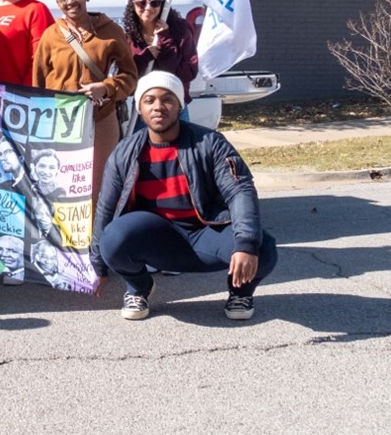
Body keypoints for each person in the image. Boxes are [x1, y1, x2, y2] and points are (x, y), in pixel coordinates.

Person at [91, 71, 278, 322]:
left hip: (207, 233)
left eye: (168, 99)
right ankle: (139, 288)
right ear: (140, 108)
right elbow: (106, 206)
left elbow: (240, 191)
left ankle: (240, 292)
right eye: (150, 100)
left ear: (180, 104)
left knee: (262, 246)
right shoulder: (125, 152)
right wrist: (98, 265)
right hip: (159, 239)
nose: (158, 107)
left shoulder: (210, 142)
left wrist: (244, 244)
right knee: (113, 239)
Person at [33, 0, 137, 200]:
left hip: (101, 119)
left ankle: (97, 236)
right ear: (57, 2)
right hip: (62, 122)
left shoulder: (111, 31)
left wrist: (107, 87)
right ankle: (65, 236)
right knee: (64, 183)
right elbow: (38, 83)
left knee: (99, 185)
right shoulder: (51, 36)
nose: (70, 1)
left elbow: (130, 75)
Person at [122, 0, 198, 118]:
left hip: (175, 106)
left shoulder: (180, 30)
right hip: (143, 108)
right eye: (141, 3)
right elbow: (128, 76)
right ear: (132, 4)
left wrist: (165, 41)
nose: (148, 7)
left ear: (162, 4)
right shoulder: (129, 37)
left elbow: (189, 73)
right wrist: (144, 58)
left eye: (154, 2)